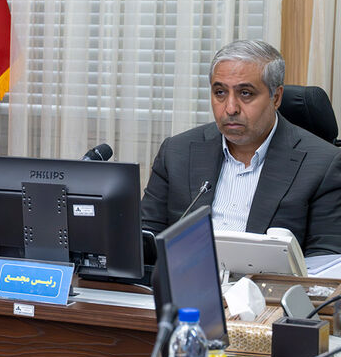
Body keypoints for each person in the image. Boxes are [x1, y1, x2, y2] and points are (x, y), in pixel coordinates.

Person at [141, 39, 341, 256]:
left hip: (266, 278)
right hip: (188, 275)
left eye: (245, 93)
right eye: (220, 92)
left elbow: (326, 259)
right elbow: (146, 238)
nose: (230, 108)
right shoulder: (177, 152)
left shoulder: (323, 165)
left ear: (276, 98)